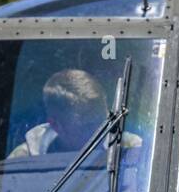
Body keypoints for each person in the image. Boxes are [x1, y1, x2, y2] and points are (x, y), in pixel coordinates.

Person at [10, 68, 141, 158]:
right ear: (56, 125)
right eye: (88, 126)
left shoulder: (129, 148)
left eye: (105, 120)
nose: (102, 130)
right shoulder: (24, 160)